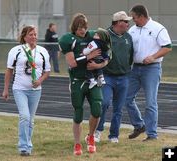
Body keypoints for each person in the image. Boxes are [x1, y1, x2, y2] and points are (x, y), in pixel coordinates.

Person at [59, 13, 110, 155]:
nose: (83, 30)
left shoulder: (93, 36)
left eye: (85, 27)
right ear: (75, 27)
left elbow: (108, 53)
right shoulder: (68, 39)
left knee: (97, 108)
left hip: (93, 79)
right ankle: (77, 144)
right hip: (78, 80)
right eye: (80, 27)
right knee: (78, 112)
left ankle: (91, 136)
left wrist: (99, 65)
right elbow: (72, 63)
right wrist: (89, 56)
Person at [126, 4, 172, 141]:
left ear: (141, 16)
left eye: (134, 17)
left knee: (150, 102)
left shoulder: (158, 28)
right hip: (134, 69)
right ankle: (139, 125)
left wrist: (153, 57)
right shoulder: (132, 30)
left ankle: (152, 135)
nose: (132, 20)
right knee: (126, 98)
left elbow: (168, 47)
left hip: (152, 69)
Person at [2, 25, 51, 156]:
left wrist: (39, 81)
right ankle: (23, 146)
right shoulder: (16, 50)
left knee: (31, 119)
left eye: (35, 34)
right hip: (20, 89)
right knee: (24, 116)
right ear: (24, 37)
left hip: (36, 90)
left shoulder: (42, 51)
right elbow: (9, 70)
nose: (34, 37)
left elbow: (47, 71)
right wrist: (5, 89)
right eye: (31, 34)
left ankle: (28, 146)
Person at [94, 11, 133, 143]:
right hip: (107, 76)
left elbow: (130, 55)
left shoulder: (128, 37)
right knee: (104, 103)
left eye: (128, 22)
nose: (128, 24)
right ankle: (98, 131)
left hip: (123, 77)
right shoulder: (105, 35)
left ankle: (114, 135)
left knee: (118, 108)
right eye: (126, 21)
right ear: (117, 23)